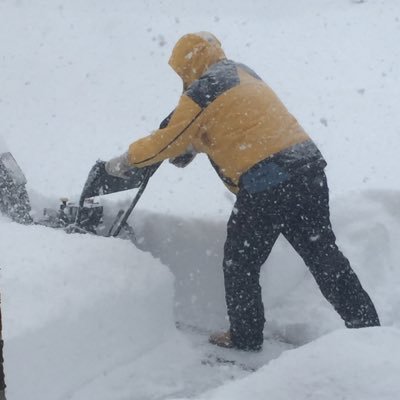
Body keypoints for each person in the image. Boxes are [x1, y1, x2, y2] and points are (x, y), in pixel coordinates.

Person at [105, 32, 380, 351]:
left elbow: (168, 141)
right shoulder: (242, 72)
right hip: (307, 168)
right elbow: (238, 121)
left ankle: (245, 335)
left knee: (241, 261)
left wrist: (126, 160)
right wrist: (198, 142)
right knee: (323, 255)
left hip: (268, 181)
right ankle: (368, 330)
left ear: (188, 64)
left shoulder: (202, 90)